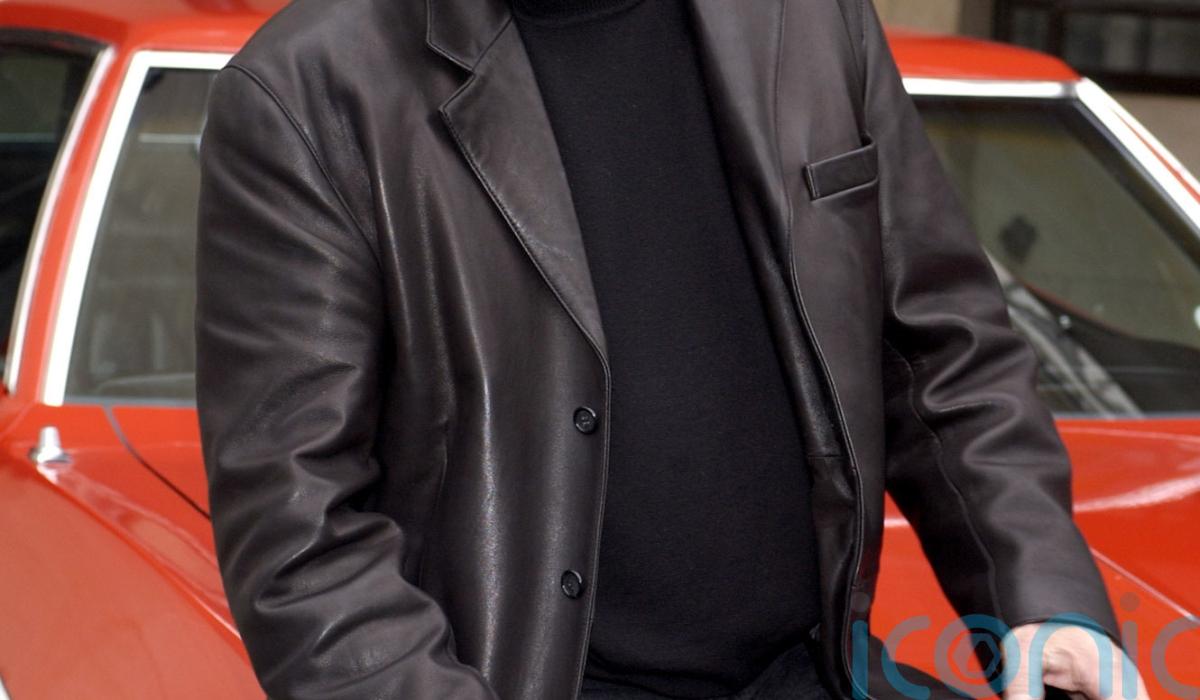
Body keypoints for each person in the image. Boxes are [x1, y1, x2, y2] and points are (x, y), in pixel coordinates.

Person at [193, 0, 1150, 698]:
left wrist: (1043, 597)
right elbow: (302, 541)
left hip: (816, 671)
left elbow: (942, 347)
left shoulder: (806, 18)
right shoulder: (307, 91)